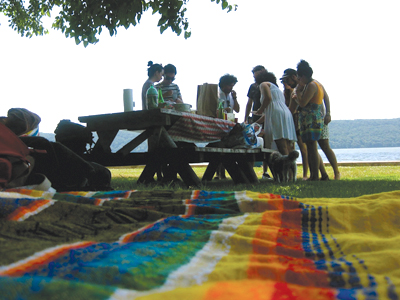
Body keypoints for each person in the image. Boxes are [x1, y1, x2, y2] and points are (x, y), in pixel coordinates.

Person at [293, 60, 340, 180]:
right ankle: (323, 174)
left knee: (313, 148)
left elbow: (303, 103)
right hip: (316, 118)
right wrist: (328, 113)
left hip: (312, 120)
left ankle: (315, 175)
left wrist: (296, 94)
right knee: (315, 147)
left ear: (303, 76)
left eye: (299, 77)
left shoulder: (311, 85)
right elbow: (326, 97)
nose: (298, 80)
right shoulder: (317, 83)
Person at [254, 70, 297, 156]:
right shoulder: (277, 89)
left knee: (281, 145)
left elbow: (267, 98)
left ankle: (286, 167)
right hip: (286, 114)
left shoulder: (263, 84)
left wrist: (260, 109)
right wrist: (256, 123)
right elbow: (269, 112)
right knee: (288, 145)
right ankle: (291, 168)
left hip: (277, 114)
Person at [244, 65, 272, 180]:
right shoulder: (253, 87)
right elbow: (249, 102)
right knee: (252, 142)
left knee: (267, 143)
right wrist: (246, 117)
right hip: (255, 116)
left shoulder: (269, 84)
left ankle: (265, 171)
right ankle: (250, 170)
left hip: (268, 115)